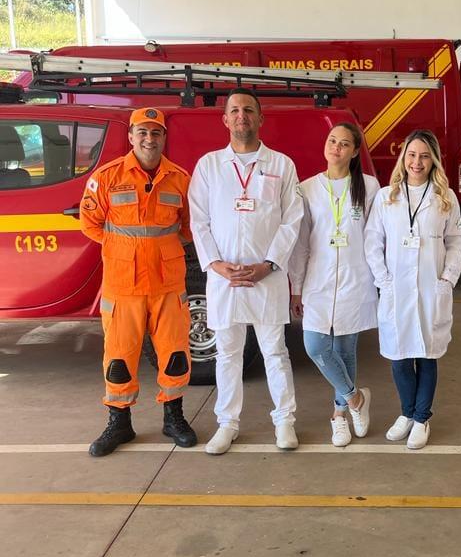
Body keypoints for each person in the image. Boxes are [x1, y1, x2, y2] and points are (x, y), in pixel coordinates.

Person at [188, 89, 303, 454]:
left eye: (248, 110)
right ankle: (227, 423)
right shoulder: (209, 166)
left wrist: (268, 264)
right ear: (225, 120)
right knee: (227, 353)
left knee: (275, 351)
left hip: (265, 277)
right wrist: (217, 265)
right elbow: (199, 221)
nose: (241, 116)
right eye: (234, 110)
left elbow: (292, 221)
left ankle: (284, 420)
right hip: (225, 279)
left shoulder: (281, 165)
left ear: (260, 118)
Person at [80, 107, 197, 456]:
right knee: (118, 359)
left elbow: (190, 228)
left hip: (168, 286)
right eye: (142, 132)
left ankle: (173, 417)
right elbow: (90, 223)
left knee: (175, 355)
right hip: (123, 287)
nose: (149, 139)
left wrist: (158, 250)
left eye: (156, 133)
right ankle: (120, 423)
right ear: (130, 137)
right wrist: (124, 249)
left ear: (164, 138)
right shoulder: (107, 177)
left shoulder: (180, 179)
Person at [364, 129, 461, 449]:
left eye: (424, 156)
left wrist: (447, 279)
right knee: (398, 355)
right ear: (403, 158)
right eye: (411, 155)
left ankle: (422, 418)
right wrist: (384, 280)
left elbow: (456, 242)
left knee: (426, 354)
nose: (417, 162)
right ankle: (406, 412)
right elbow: (372, 243)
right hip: (396, 288)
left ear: (432, 159)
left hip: (430, 288)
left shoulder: (444, 199)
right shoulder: (386, 197)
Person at [289, 123, 380, 447]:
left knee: (344, 349)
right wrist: (296, 286)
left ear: (355, 151)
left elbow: (375, 238)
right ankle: (356, 399)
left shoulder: (369, 188)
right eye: (332, 141)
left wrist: (380, 279)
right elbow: (300, 242)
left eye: (344, 144)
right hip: (319, 279)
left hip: (356, 279)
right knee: (316, 346)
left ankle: (339, 414)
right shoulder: (308, 188)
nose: (336, 147)